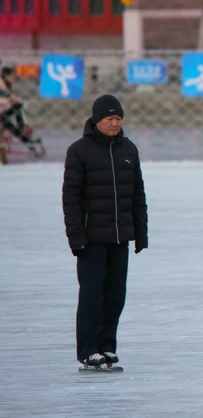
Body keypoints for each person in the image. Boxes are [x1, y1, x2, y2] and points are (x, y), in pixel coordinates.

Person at [62, 94, 148, 369]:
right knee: (92, 295)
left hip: (119, 237)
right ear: (97, 120)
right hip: (91, 239)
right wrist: (76, 237)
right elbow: (71, 198)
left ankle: (107, 346)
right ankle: (88, 349)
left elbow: (137, 193)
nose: (115, 123)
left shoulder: (128, 150)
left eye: (119, 118)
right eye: (110, 119)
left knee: (115, 295)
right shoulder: (79, 151)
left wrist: (140, 232)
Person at [0, 66, 45, 157]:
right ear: (7, 75)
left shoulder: (5, 83)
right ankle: (26, 139)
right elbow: (6, 95)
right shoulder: (1, 81)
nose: (14, 78)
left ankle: (24, 134)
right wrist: (11, 100)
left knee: (16, 109)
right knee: (7, 121)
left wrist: (14, 100)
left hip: (3, 111)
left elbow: (8, 95)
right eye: (13, 76)